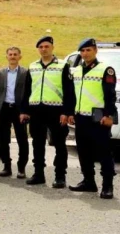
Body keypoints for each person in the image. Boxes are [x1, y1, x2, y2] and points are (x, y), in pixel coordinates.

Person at [21, 36, 75, 188]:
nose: (44, 49)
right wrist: (24, 110)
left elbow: (69, 91)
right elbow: (27, 90)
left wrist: (66, 112)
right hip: (36, 110)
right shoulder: (33, 66)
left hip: (56, 111)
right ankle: (38, 174)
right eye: (41, 47)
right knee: (37, 144)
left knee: (59, 144)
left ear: (52, 47)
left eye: (46, 46)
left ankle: (60, 176)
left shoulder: (63, 66)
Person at [68, 38, 116, 199]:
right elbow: (72, 95)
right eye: (82, 51)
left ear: (95, 50)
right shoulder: (76, 71)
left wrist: (109, 115)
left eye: (88, 50)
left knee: (103, 152)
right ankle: (89, 182)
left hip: (99, 118)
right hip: (81, 117)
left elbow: (110, 95)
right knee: (83, 152)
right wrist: (71, 113)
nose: (85, 53)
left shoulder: (105, 70)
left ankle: (107, 186)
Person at [0, 47, 29, 179]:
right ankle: (6, 166)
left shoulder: (26, 73)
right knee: (3, 139)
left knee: (22, 139)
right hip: (4, 109)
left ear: (20, 57)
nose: (12, 56)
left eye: (15, 54)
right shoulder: (0, 73)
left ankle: (21, 168)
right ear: (7, 56)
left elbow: (28, 93)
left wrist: (26, 111)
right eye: (10, 54)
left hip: (19, 110)